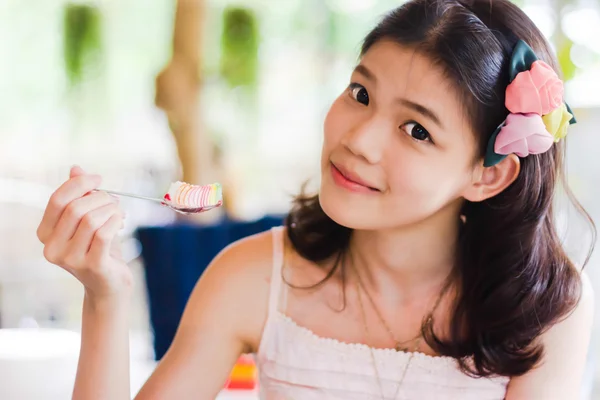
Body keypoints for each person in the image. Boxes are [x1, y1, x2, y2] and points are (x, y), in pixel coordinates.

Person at [37, 0, 595, 398]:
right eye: (361, 93)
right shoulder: (251, 275)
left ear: (487, 176)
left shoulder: (546, 307)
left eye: (417, 130)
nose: (359, 139)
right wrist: (104, 298)